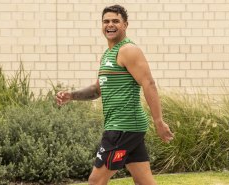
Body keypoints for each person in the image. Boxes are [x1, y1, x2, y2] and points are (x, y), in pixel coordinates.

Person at [56, 4, 174, 185]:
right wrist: (71, 95)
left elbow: (149, 83)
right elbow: (97, 89)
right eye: (106, 21)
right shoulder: (108, 54)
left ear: (125, 25)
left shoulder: (128, 50)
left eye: (115, 21)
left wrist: (159, 121)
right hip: (127, 127)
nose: (110, 25)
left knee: (96, 181)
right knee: (145, 182)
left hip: (123, 127)